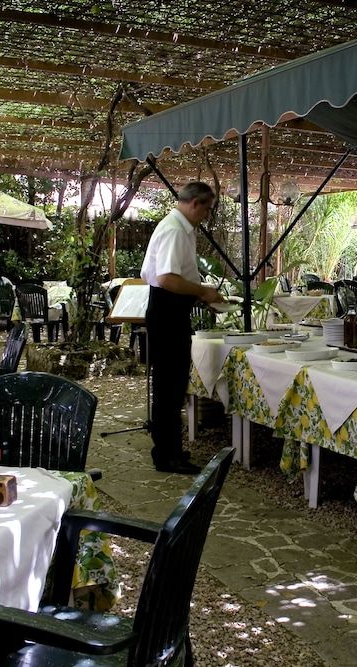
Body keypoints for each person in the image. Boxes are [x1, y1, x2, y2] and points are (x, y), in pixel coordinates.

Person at [141, 182, 224, 474]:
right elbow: (167, 278)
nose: (207, 215)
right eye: (207, 209)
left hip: (170, 308)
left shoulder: (177, 226)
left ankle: (169, 448)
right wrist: (202, 291)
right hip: (167, 309)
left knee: (173, 385)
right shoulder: (176, 229)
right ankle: (166, 455)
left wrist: (197, 295)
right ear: (196, 204)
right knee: (169, 385)